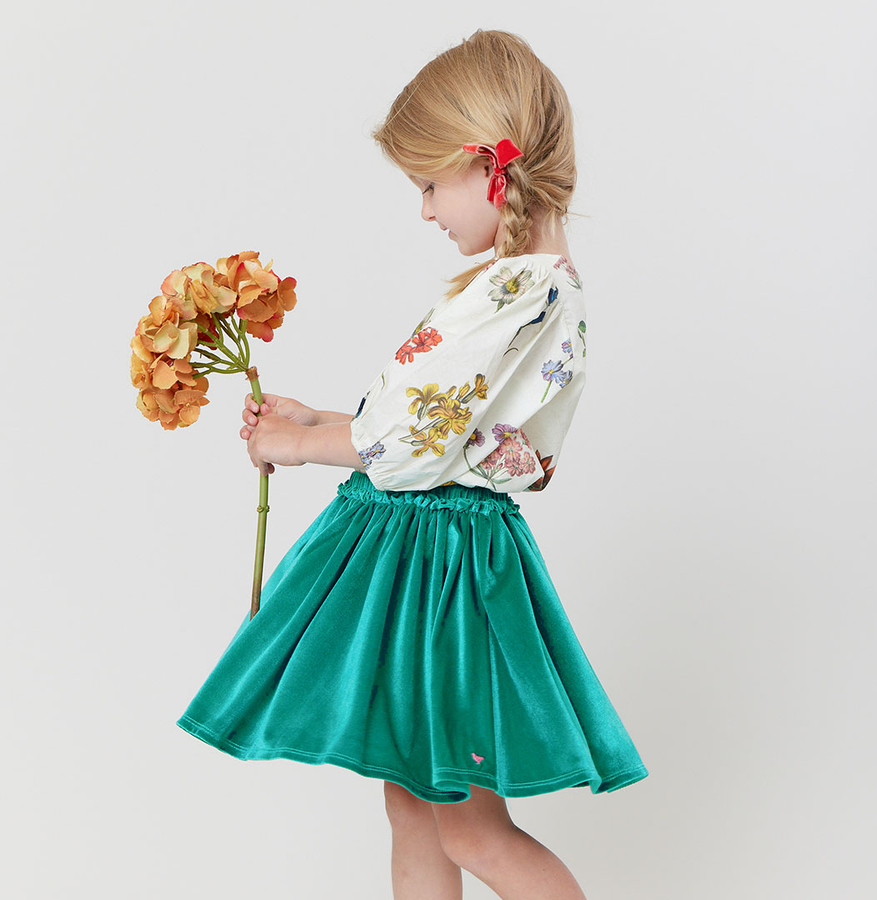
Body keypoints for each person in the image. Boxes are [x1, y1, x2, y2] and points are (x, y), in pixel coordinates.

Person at [176, 29, 648, 900]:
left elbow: (413, 441)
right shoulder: (532, 284)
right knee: (415, 808)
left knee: (468, 824)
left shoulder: (518, 287)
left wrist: (301, 444)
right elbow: (446, 430)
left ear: (488, 168)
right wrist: (323, 420)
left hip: (438, 570)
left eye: (429, 185)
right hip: (430, 555)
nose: (426, 211)